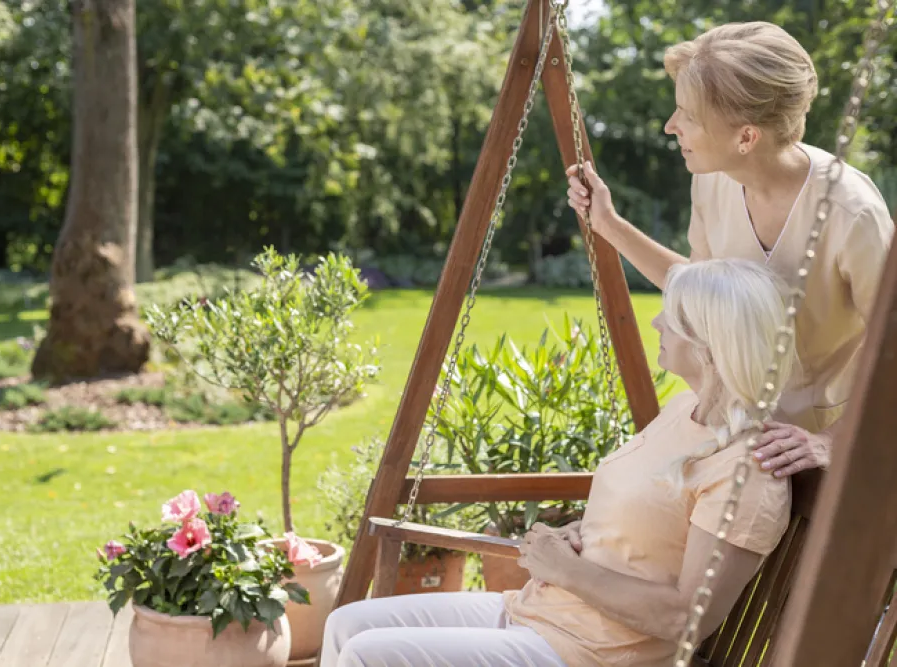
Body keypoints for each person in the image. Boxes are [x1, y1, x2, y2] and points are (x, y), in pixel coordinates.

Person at [322, 258, 795, 667]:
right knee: (347, 624)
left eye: (671, 316)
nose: (656, 324)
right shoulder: (682, 411)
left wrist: (566, 570)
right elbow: (644, 529)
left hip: (590, 653)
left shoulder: (747, 473)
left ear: (709, 342)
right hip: (541, 611)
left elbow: (684, 616)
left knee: (370, 655)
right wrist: (577, 539)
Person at [566, 21, 894, 479]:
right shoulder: (712, 181)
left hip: (826, 445)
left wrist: (830, 442)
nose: (670, 126)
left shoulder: (851, 213)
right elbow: (704, 292)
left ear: (746, 137)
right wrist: (608, 225)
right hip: (738, 432)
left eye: (688, 115)